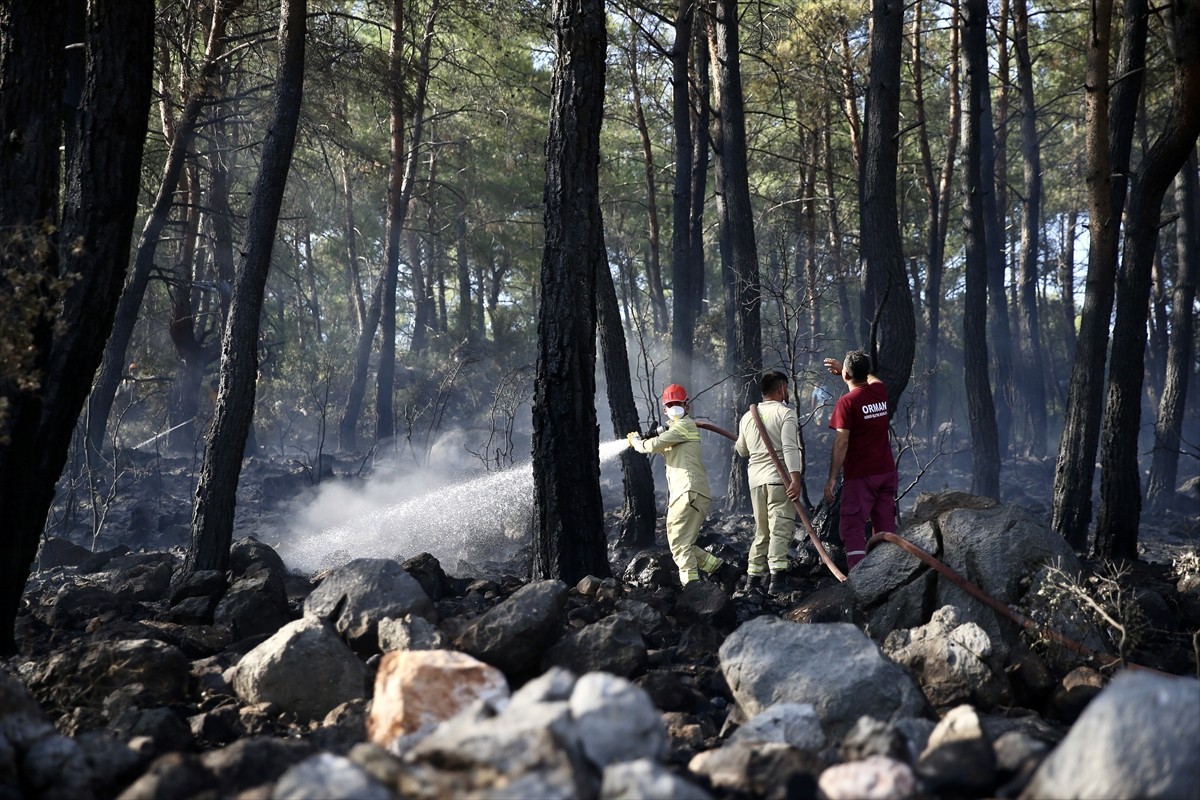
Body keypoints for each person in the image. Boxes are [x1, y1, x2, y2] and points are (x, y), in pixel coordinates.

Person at [627, 383, 737, 588]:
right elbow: (662, 446)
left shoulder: (683, 426)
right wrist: (650, 438)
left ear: (687, 406)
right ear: (665, 409)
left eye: (678, 403)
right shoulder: (678, 431)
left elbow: (651, 446)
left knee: (680, 547)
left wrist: (636, 442)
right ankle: (723, 570)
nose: (675, 407)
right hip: (691, 493)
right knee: (682, 544)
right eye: (671, 404)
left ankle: (693, 590)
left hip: (688, 492)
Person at [823, 350, 897, 571]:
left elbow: (841, 443)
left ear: (845, 374)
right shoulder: (879, 390)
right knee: (885, 528)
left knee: (852, 526)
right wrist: (851, 370)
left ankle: (859, 579)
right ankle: (889, 572)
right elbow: (874, 378)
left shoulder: (847, 402)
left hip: (860, 476)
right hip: (886, 472)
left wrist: (832, 479)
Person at [735, 370, 802, 596]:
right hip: (778, 480)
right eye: (787, 387)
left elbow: (741, 449)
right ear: (781, 388)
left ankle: (752, 580)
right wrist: (795, 478)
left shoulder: (747, 417)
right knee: (780, 529)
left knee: (762, 531)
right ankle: (777, 581)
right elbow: (790, 447)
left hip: (756, 482)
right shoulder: (786, 414)